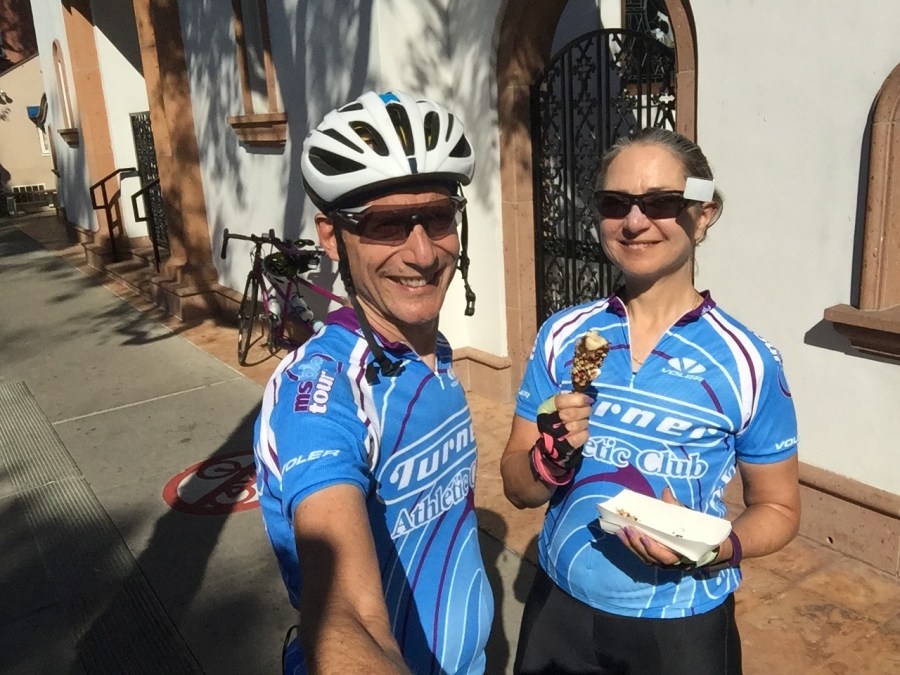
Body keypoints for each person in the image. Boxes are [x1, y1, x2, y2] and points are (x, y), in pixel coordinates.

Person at [501, 127, 801, 674]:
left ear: (704, 213)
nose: (635, 222)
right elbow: (518, 489)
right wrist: (549, 459)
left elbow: (779, 510)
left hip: (681, 623)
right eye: (615, 203)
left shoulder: (749, 362)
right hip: (559, 605)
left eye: (661, 202)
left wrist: (715, 546)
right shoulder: (564, 335)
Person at [253, 90, 493, 674]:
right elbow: (348, 616)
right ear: (333, 238)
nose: (422, 253)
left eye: (437, 218)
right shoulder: (323, 390)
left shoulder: (429, 348)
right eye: (386, 225)